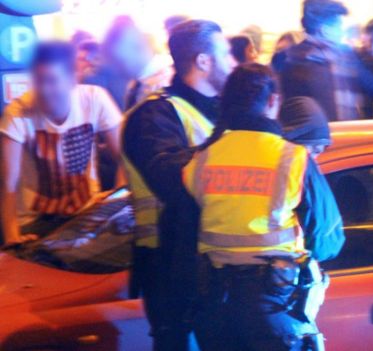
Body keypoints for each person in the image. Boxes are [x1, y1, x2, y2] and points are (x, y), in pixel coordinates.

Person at [185, 63, 344, 350]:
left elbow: (184, 229)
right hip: (273, 305)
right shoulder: (293, 158)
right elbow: (327, 241)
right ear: (273, 102)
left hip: (214, 305)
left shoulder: (201, 159)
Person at [122, 20, 235, 350]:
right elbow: (171, 181)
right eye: (226, 54)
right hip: (169, 270)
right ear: (204, 61)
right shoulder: (155, 116)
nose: (233, 63)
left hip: (206, 264)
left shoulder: (221, 113)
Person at [0, 42, 123, 246]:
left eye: (52, 80)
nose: (44, 90)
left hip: (86, 213)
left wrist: (114, 202)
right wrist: (13, 237)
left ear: (72, 79)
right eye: (38, 81)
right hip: (36, 221)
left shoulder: (94, 98)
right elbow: (7, 183)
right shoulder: (18, 112)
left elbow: (126, 159)